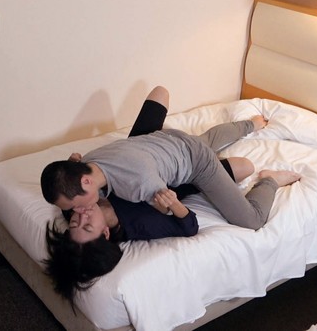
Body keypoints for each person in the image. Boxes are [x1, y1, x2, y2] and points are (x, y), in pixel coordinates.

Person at [42, 86, 300, 301]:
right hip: (174, 159)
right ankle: (269, 178)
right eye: (86, 224)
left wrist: (71, 167)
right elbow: (186, 225)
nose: (79, 214)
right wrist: (174, 206)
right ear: (106, 233)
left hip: (150, 152)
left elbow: (70, 194)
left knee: (175, 113)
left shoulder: (80, 200)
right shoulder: (137, 219)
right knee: (246, 191)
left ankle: (248, 126)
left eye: (74, 220)